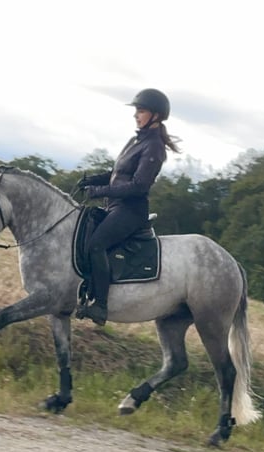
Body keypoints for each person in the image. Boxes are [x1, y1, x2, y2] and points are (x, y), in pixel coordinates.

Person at [76, 88, 181, 326]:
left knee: (96, 245)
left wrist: (99, 192)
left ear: (155, 115)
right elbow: (117, 174)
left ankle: (100, 306)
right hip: (114, 206)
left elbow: (138, 186)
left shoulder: (154, 147)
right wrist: (92, 180)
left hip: (130, 211)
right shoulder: (135, 140)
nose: (136, 115)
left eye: (141, 111)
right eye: (136, 110)